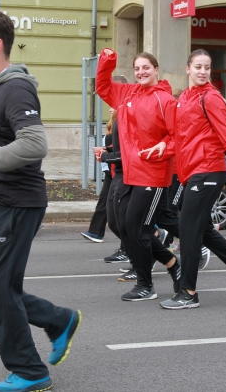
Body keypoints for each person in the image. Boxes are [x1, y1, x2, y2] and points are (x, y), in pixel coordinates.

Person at [0, 11, 81, 391]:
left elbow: (34, 144)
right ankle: (58, 319)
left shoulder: (16, 88)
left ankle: (30, 371)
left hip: (19, 202)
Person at [160, 49, 226, 309]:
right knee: (200, 229)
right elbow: (183, 139)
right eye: (198, 67)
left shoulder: (211, 98)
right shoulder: (185, 99)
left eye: (207, 67)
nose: (203, 71)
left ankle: (188, 293)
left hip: (208, 171)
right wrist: (161, 149)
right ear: (188, 69)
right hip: (191, 172)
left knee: (189, 232)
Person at [96, 47, 182, 302]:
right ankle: (171, 263)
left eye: (146, 67)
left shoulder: (165, 100)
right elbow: (102, 87)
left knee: (137, 227)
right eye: (137, 68)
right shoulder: (127, 93)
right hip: (129, 172)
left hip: (153, 173)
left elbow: (178, 136)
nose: (141, 72)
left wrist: (164, 146)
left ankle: (146, 284)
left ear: (156, 70)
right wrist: (107, 60)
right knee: (126, 226)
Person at [81, 106, 116, 243]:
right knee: (104, 200)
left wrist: (105, 151)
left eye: (112, 106)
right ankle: (95, 232)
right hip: (110, 169)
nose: (109, 109)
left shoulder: (123, 122)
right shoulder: (112, 123)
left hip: (117, 170)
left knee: (115, 204)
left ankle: (154, 230)